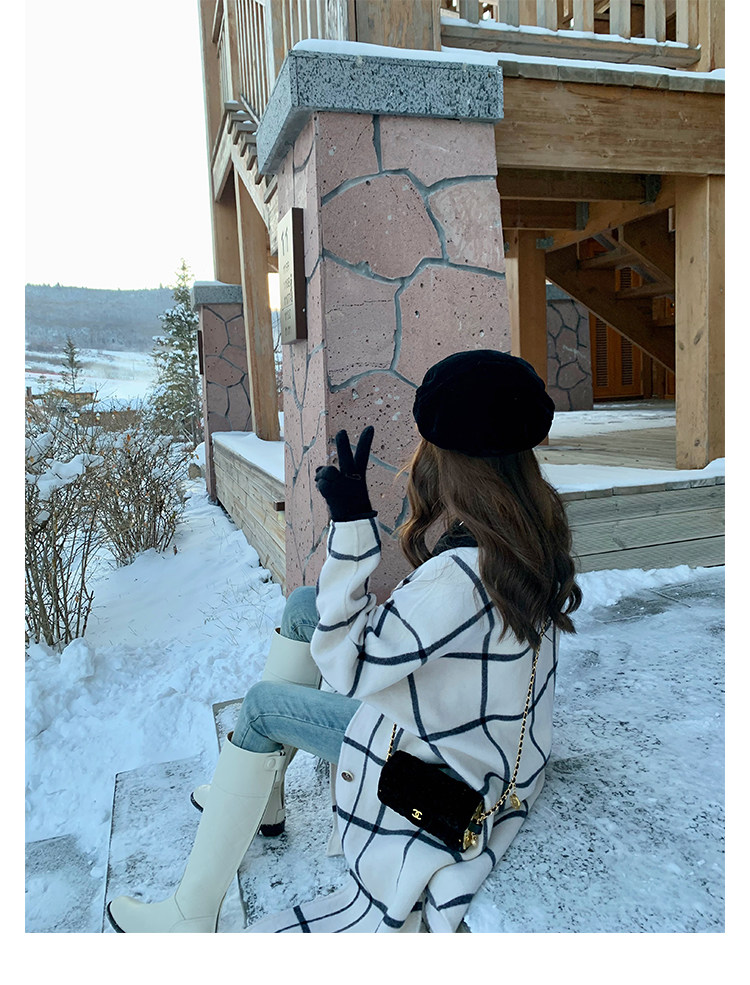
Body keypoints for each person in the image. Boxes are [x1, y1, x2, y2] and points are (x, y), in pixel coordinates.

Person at [107, 349, 582, 934]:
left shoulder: (458, 577)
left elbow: (348, 663)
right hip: (480, 730)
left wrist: (352, 532)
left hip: (436, 760)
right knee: (305, 606)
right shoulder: (531, 527)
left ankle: (190, 912)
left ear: (449, 461)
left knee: (261, 708)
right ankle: (260, 788)